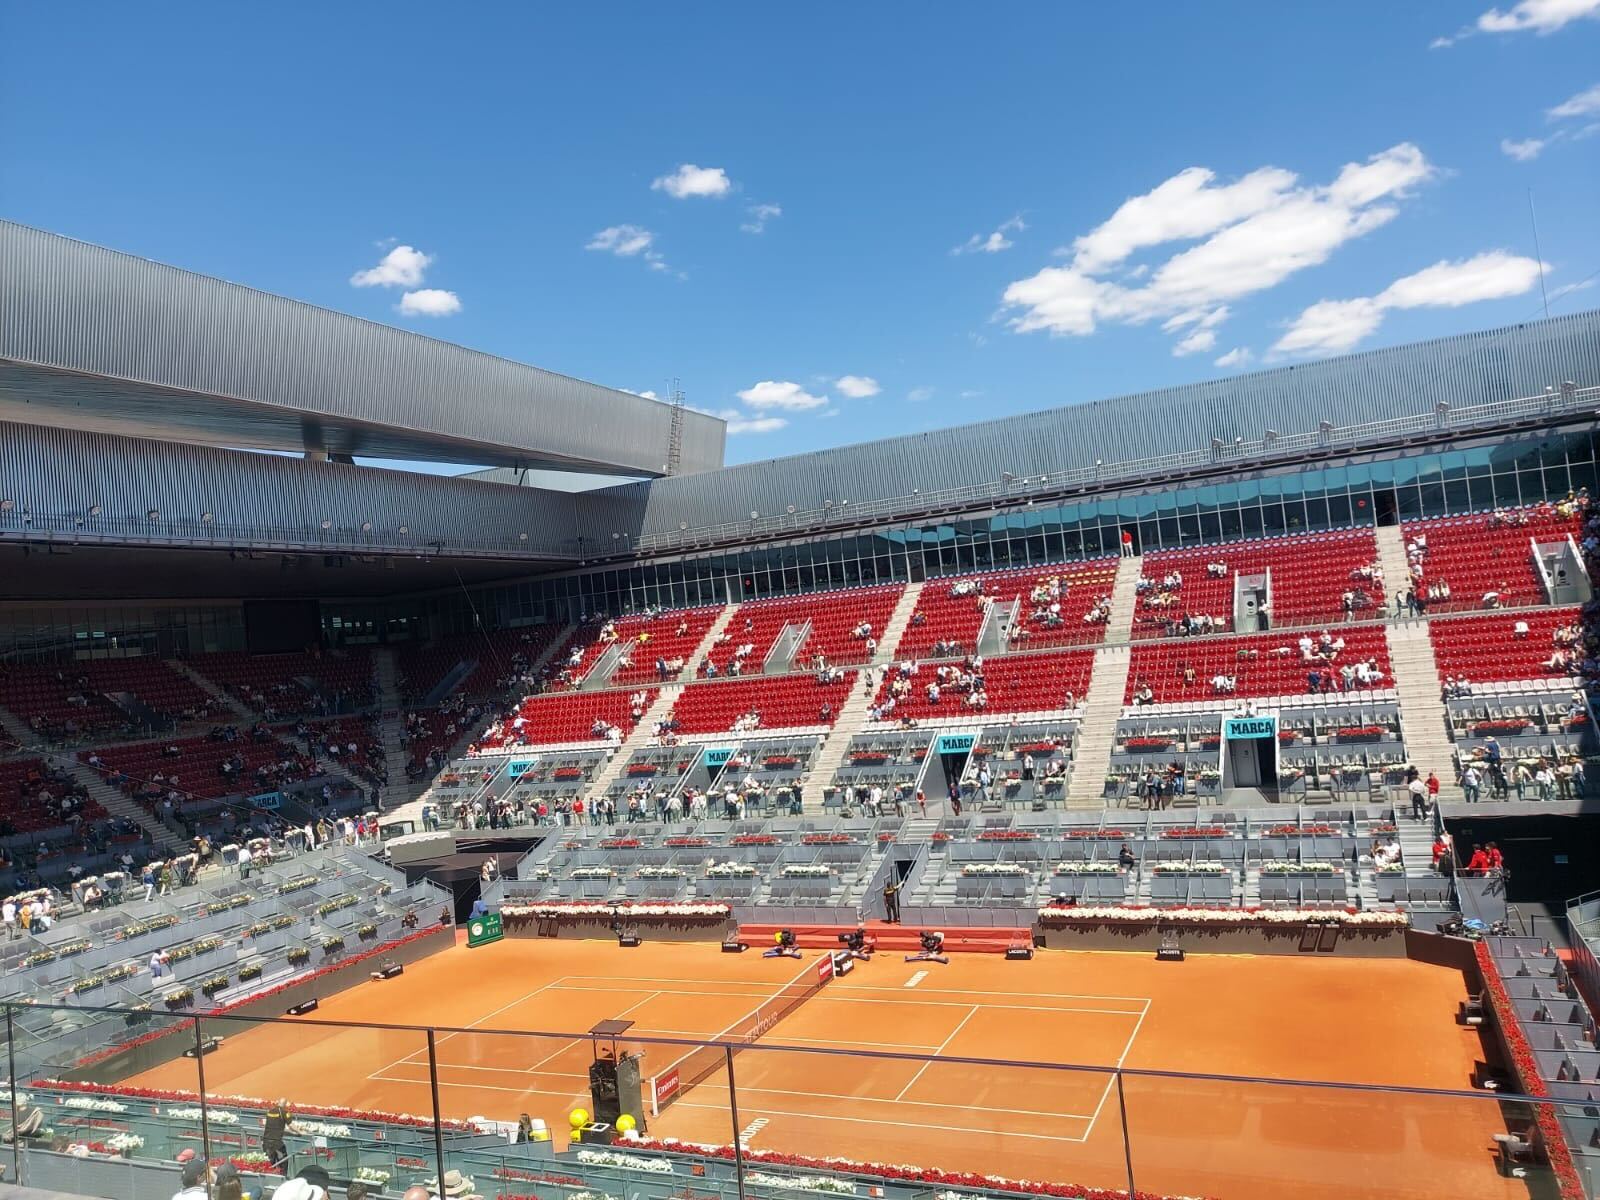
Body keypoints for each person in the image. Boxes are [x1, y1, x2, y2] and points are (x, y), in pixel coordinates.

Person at [262, 1098, 290, 1168]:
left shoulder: (270, 1112)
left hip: (267, 1142)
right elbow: (291, 1125)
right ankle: (283, 1175)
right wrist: (298, 1132)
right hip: (277, 1143)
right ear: (285, 1104)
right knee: (283, 1162)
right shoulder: (284, 1112)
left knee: (270, 1163)